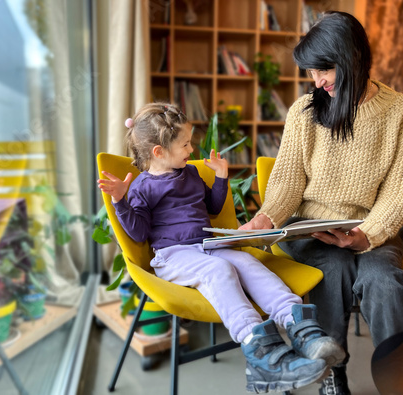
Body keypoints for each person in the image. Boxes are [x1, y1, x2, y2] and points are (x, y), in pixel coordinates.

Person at [98, 102, 345, 393]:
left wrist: (221, 178)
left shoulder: (190, 174)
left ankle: (302, 329)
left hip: (209, 245)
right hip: (174, 255)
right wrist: (120, 201)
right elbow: (138, 234)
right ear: (159, 152)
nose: (192, 151)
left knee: (250, 265)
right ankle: (261, 352)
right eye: (185, 145)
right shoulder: (142, 187)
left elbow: (214, 208)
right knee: (219, 270)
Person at [240, 11, 403, 395]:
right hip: (313, 230)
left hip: (372, 229)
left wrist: (366, 235)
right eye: (311, 72)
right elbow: (289, 182)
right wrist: (266, 216)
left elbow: (398, 190)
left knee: (385, 284)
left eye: (324, 69)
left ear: (353, 57)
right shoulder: (304, 113)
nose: (317, 82)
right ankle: (332, 375)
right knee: (332, 272)